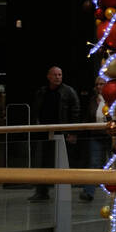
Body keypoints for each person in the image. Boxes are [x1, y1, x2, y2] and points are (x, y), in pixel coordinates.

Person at [29, 65, 82, 202]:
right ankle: (41, 191)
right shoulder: (42, 92)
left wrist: (72, 132)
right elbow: (36, 110)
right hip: (44, 132)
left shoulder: (68, 92)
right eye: (55, 74)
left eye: (60, 75)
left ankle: (63, 191)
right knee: (42, 162)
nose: (58, 77)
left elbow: (75, 112)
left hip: (62, 134)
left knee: (61, 162)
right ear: (49, 76)